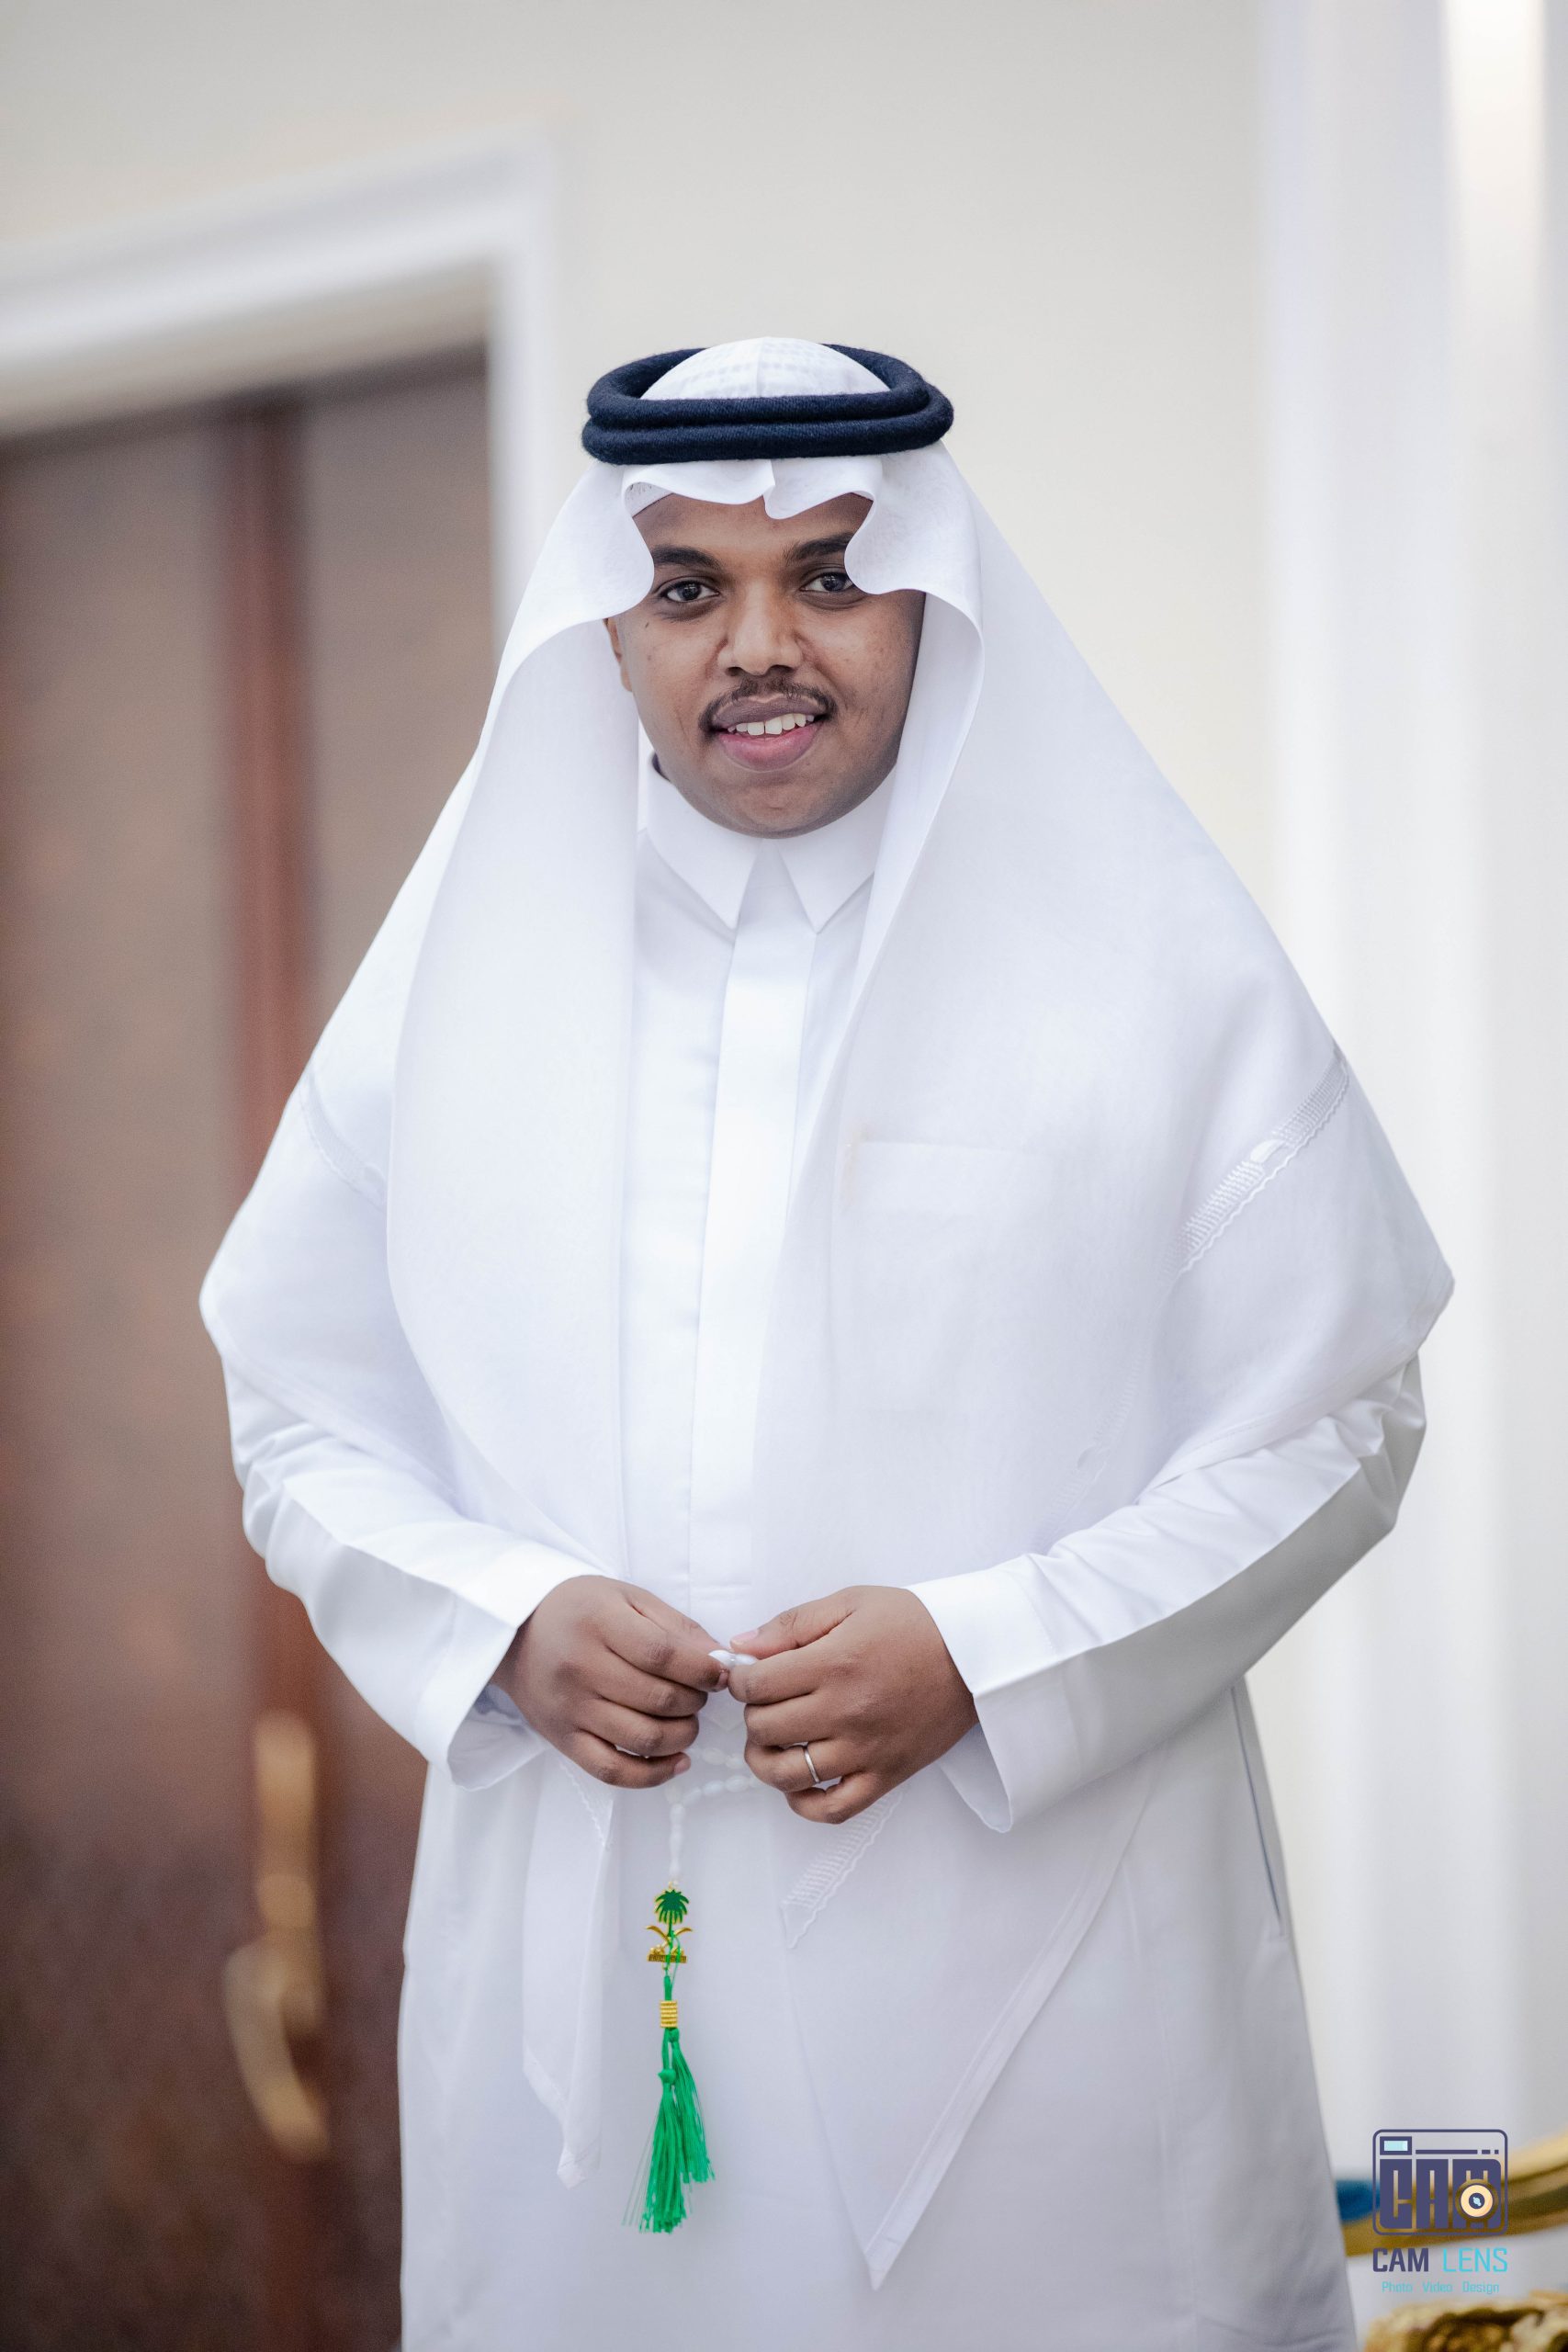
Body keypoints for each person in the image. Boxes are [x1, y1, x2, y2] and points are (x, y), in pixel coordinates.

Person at [201, 339, 1450, 2349]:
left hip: (1056, 1999)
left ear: (933, 600)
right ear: (611, 627)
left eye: (835, 576)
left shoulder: (1149, 968)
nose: (759, 644)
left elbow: (1338, 1415)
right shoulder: (450, 992)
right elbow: (296, 1409)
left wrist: (992, 1653)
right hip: (583, 2014)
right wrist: (497, 1619)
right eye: (688, 585)